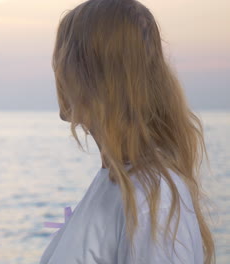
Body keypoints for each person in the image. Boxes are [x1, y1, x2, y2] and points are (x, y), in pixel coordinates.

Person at [39, 0, 215, 263]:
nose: (57, 72)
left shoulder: (152, 197)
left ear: (91, 76)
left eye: (63, 59)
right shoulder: (117, 179)